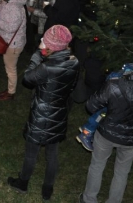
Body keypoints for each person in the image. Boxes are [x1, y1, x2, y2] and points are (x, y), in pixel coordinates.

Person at [7, 25, 79, 200]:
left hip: (41, 115)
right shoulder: (74, 61)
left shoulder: (48, 67)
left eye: (44, 41)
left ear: (52, 47)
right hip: (59, 112)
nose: (41, 42)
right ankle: (47, 189)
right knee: (52, 153)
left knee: (32, 152)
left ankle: (22, 183)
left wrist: (35, 57)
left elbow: (28, 79)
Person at [79, 47, 133, 203]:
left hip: (107, 133)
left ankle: (88, 200)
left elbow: (91, 106)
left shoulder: (115, 83)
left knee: (97, 165)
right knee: (122, 172)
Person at [0, 0, 27, 100]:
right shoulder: (9, 2)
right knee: (9, 68)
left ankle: (11, 93)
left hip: (13, 43)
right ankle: (10, 89)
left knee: (11, 69)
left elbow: (11, 28)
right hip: (10, 41)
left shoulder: (14, 8)